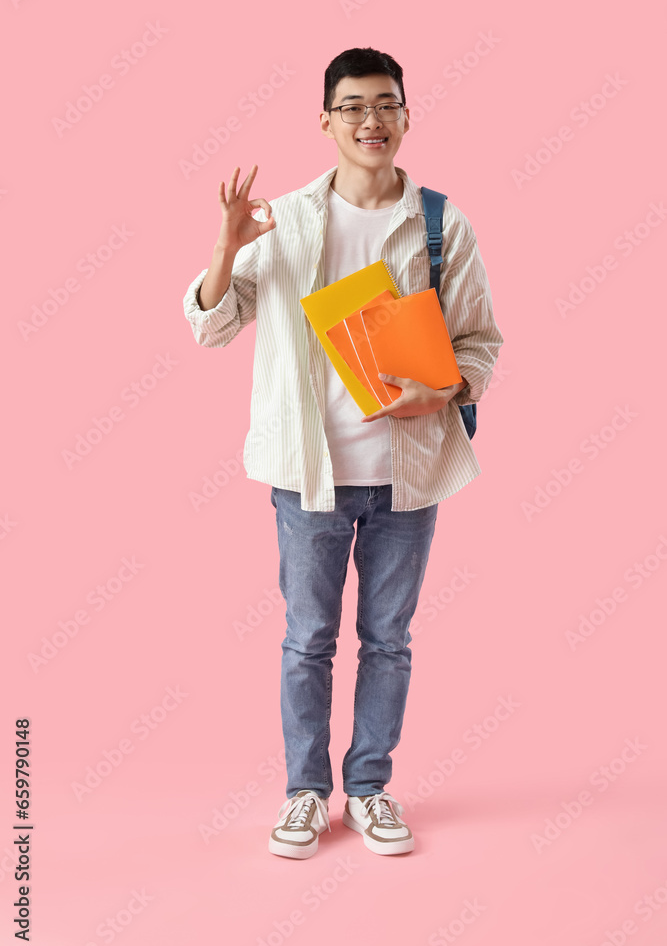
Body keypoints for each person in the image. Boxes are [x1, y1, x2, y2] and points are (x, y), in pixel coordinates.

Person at [183, 47, 503, 859]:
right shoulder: (284, 219)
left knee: (388, 639)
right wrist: (225, 248)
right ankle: (304, 793)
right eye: (353, 106)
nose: (371, 120)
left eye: (386, 104)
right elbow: (212, 326)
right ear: (324, 121)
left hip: (406, 471)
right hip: (309, 476)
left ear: (405, 115)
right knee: (307, 639)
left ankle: (369, 787)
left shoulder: (438, 221)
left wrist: (442, 392)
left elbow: (480, 345)